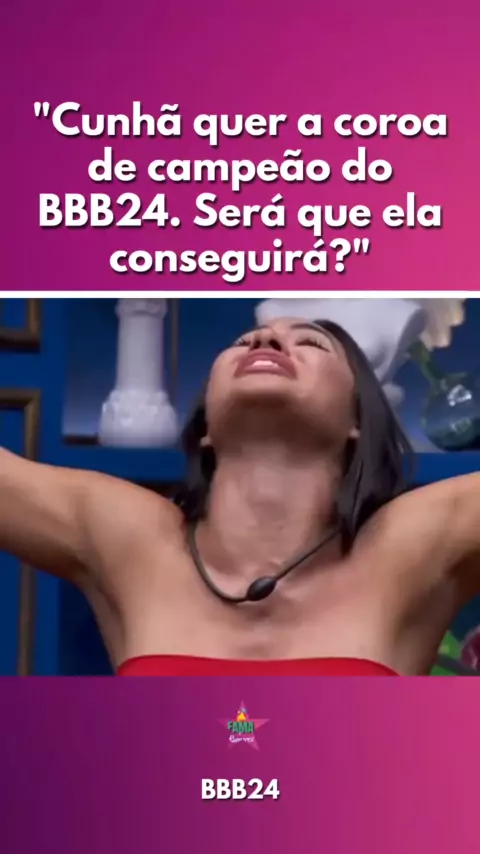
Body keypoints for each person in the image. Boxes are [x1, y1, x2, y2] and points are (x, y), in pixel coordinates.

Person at [1, 318, 479, 676]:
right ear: (205, 427)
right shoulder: (129, 535)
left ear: (358, 420)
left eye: (311, 343)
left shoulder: (411, 542)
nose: (264, 339)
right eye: (241, 342)